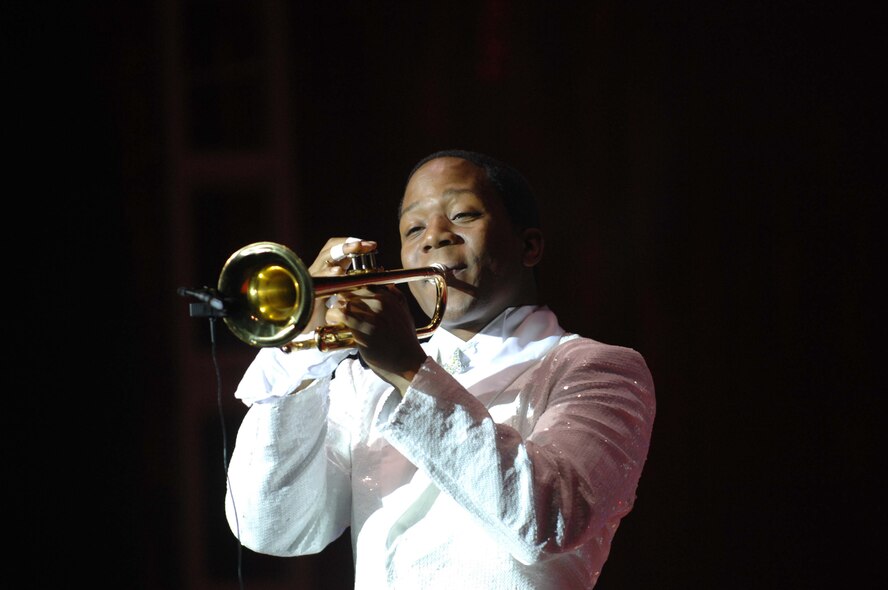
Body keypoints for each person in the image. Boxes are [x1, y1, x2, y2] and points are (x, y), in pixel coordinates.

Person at [224, 149, 656, 589]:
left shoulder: (598, 369)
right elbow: (272, 527)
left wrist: (409, 369)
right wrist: (301, 357)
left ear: (529, 246)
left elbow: (549, 522)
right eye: (414, 228)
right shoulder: (361, 384)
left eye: (463, 215)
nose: (434, 237)